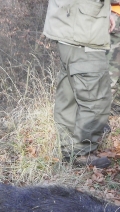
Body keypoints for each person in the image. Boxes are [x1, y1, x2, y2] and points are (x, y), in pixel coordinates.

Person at [43, 0, 112, 169]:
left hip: (70, 24)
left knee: (69, 92)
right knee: (95, 97)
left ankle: (68, 147)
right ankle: (81, 153)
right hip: (81, 27)